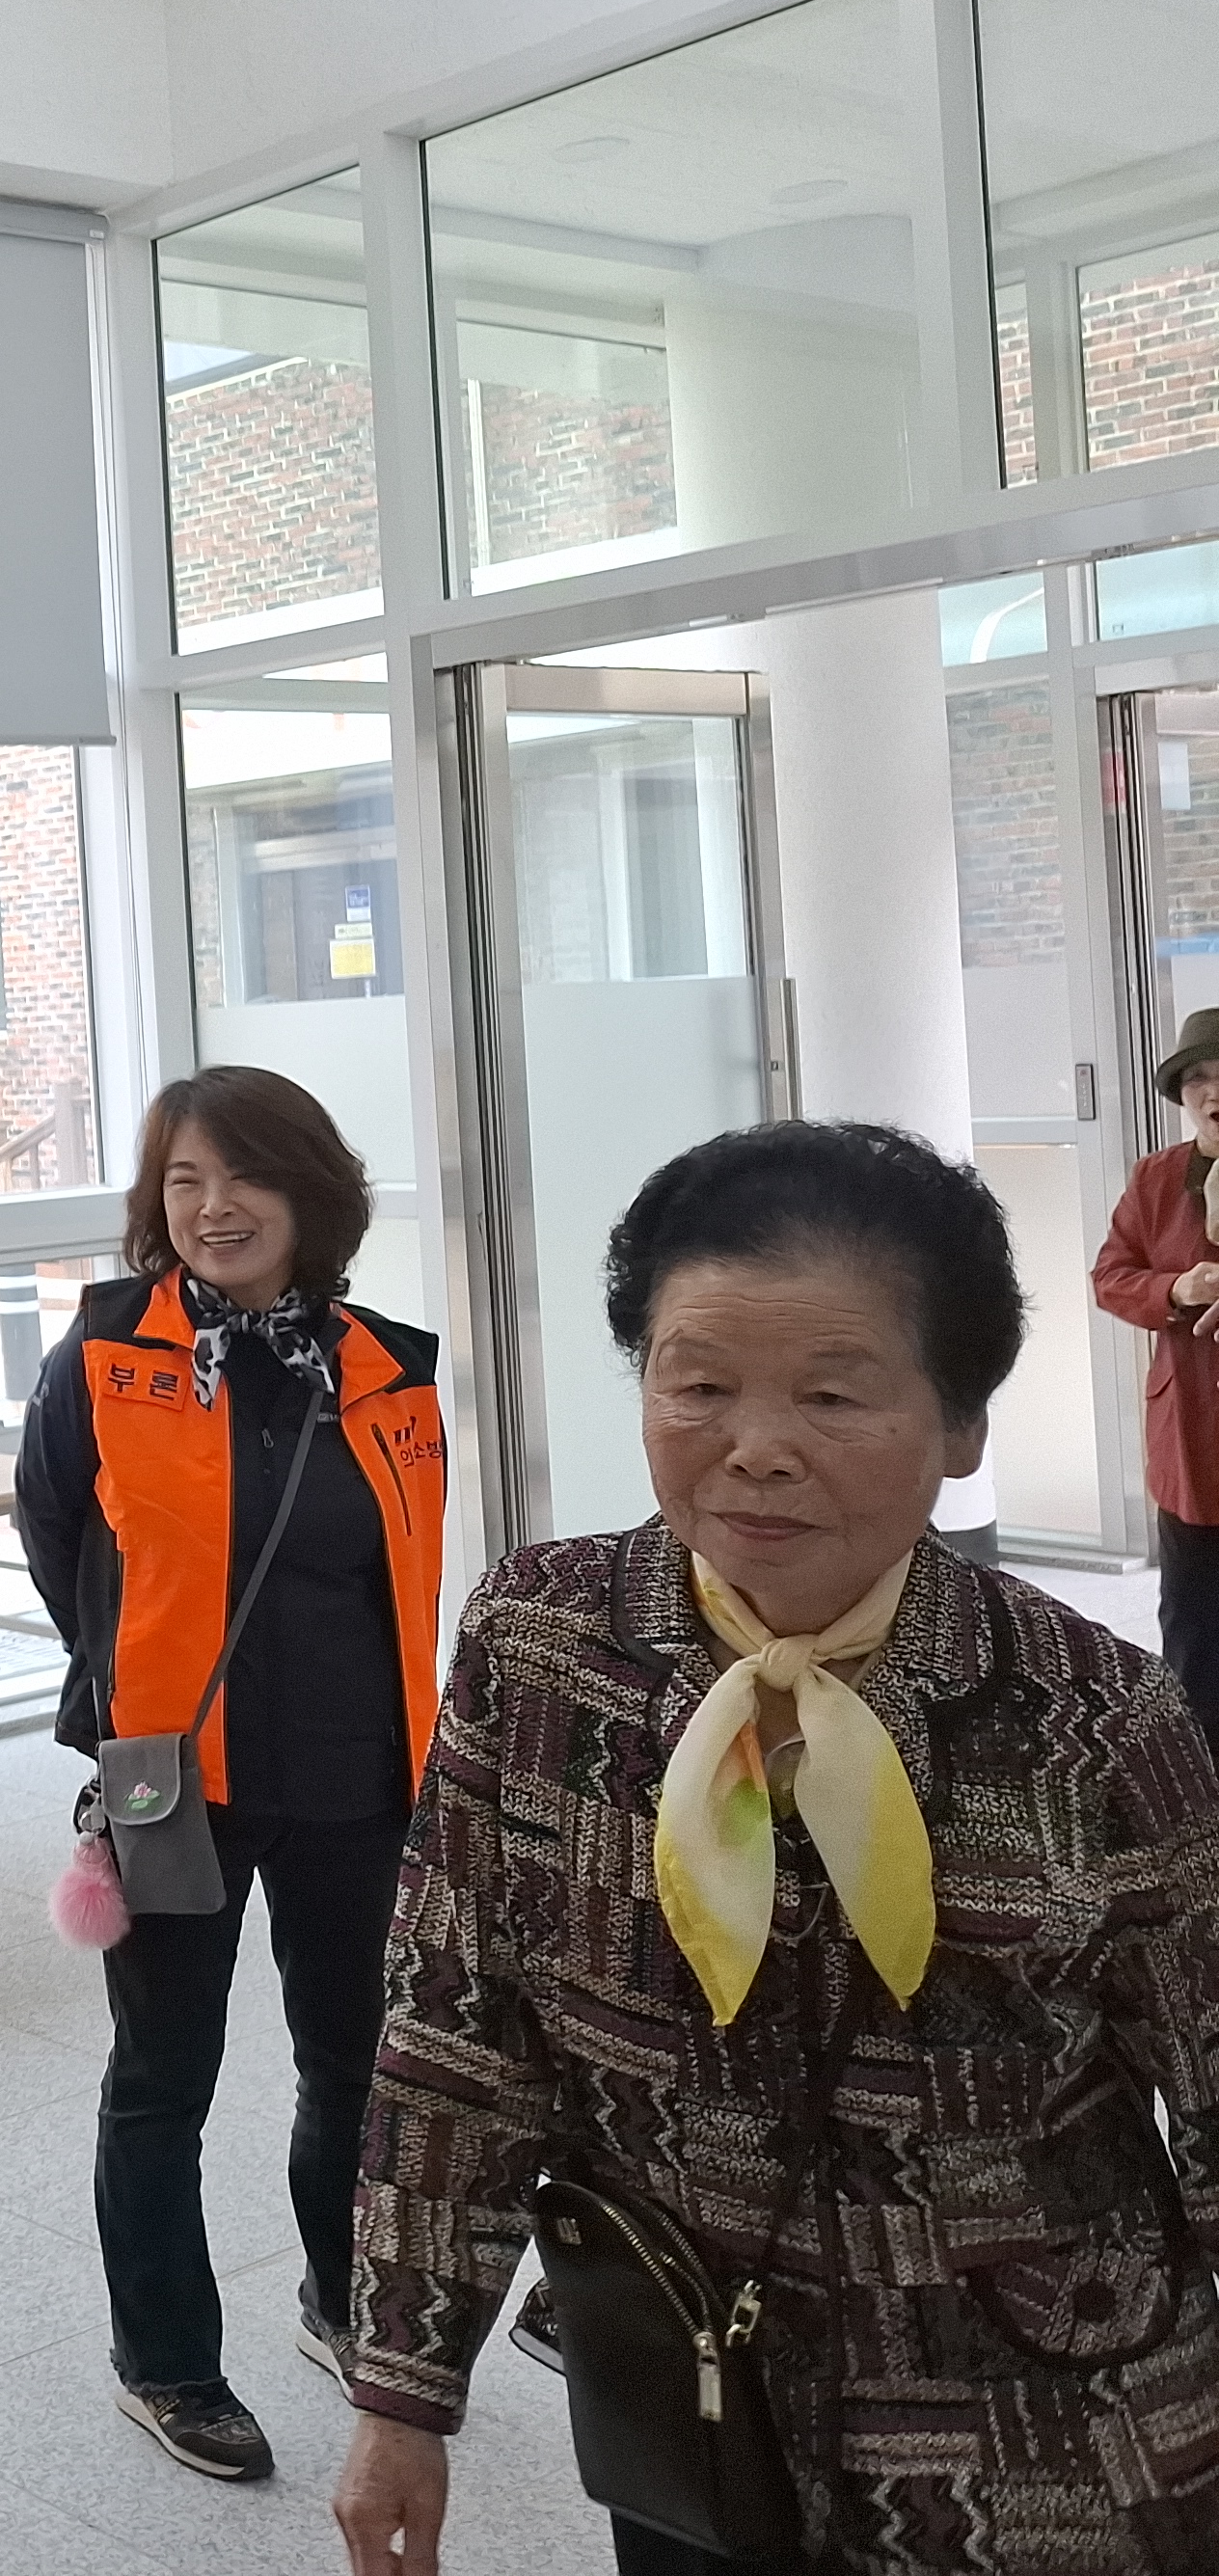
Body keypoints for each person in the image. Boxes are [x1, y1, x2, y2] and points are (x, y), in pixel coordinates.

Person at [336, 1121, 1219, 2575]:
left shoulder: (1095, 1715)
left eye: (832, 1394)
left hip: (1045, 2446)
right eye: (698, 1384)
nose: (755, 1448)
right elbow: (458, 2031)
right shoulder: (543, 1646)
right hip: (695, 2411)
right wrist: (403, 2392)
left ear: (962, 1424)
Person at [14, 1066, 447, 2485]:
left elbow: (394, 1575)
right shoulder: (103, 1356)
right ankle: (167, 2364)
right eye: (183, 1180)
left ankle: (343, 2299)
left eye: (243, 1175)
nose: (212, 1207)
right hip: (170, 1776)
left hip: (355, 1772)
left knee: (355, 2059)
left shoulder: (387, 1368)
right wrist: (120, 1675)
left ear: (310, 1192)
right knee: (163, 2076)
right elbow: (56, 1532)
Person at [1088, 1002, 1219, 1749]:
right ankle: (1196, 1765)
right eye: (1198, 1078)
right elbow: (1112, 1277)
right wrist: (1175, 1288)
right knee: (1194, 1618)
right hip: (1192, 1434)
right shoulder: (1157, 1178)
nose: (1212, 1091)